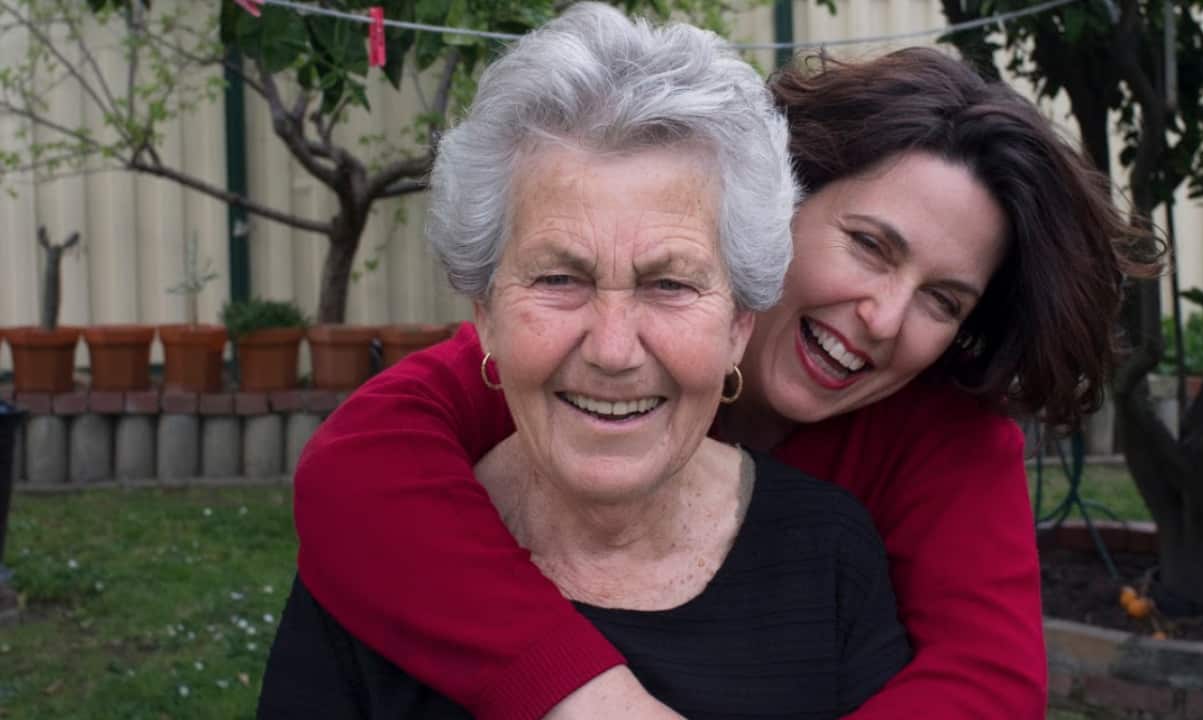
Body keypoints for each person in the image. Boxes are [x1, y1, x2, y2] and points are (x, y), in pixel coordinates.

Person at [290, 20, 1159, 720]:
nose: (887, 318)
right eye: (868, 245)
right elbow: (355, 475)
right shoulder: (573, 344)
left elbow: (988, 689)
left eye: (943, 300)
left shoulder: (933, 448)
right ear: (781, 205)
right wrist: (587, 696)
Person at [258, 4, 912, 718]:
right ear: (485, 315)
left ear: (738, 326)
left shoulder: (830, 557)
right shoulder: (379, 565)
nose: (611, 348)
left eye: (670, 283)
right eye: (558, 279)